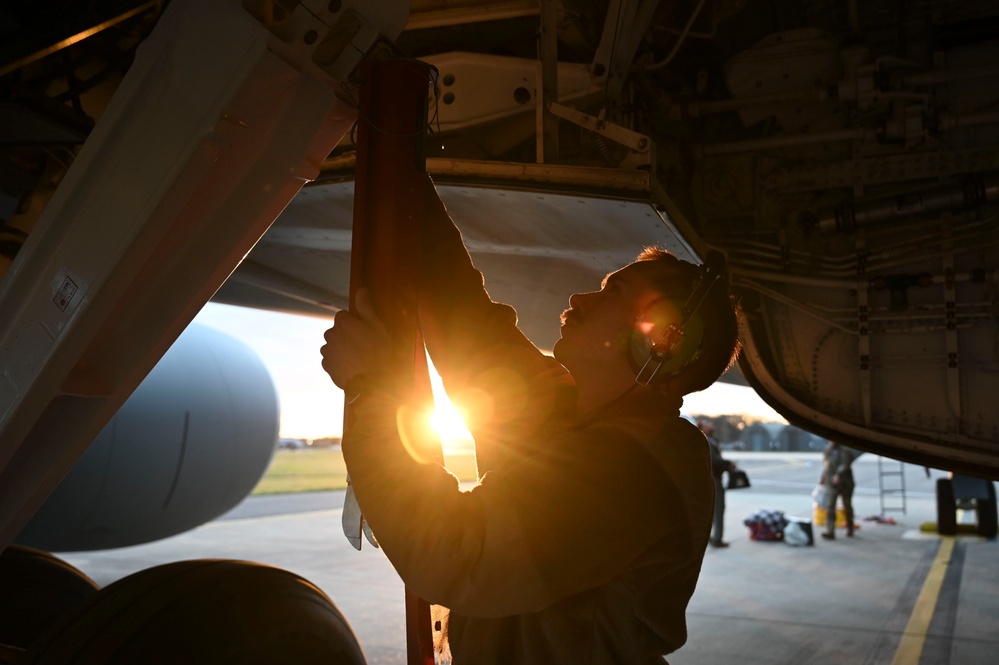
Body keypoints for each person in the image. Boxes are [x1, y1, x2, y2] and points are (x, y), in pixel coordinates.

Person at [321, 174, 741, 664]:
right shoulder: (564, 411)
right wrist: (399, 157)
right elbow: (462, 314)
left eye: (612, 292)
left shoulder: (637, 472)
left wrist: (372, 387)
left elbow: (458, 555)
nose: (578, 300)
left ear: (663, 345)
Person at [699, 419, 735, 548]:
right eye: (707, 423)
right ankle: (717, 539)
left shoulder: (710, 440)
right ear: (702, 427)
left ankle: (709, 537)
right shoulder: (706, 440)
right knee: (718, 509)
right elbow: (713, 460)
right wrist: (728, 464)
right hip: (714, 478)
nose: (711, 424)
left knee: (712, 510)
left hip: (712, 477)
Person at [821, 441, 858, 540]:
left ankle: (850, 527)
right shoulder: (828, 449)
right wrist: (822, 478)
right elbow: (827, 465)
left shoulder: (846, 450)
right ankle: (830, 530)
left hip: (845, 482)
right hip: (831, 482)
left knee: (847, 506)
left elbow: (845, 464)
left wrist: (838, 475)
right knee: (830, 506)